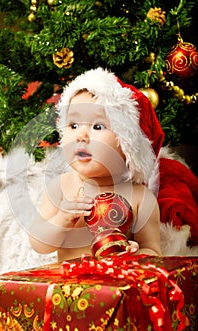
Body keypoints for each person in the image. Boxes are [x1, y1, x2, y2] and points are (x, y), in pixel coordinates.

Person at [29, 67, 164, 261]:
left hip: (115, 288)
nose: (81, 135)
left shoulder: (141, 198)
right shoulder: (62, 186)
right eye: (73, 125)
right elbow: (38, 244)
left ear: (127, 144)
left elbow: (153, 252)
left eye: (98, 126)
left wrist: (135, 255)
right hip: (66, 287)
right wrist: (62, 219)